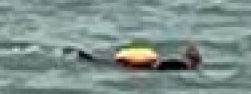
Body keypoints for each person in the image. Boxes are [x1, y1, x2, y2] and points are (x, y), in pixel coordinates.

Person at [69, 41, 202, 70]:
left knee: (111, 64)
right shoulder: (184, 66)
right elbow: (163, 64)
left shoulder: (182, 65)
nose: (183, 54)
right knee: (111, 64)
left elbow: (162, 65)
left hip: (147, 67)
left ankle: (84, 57)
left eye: (187, 53)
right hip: (148, 66)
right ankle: (85, 58)